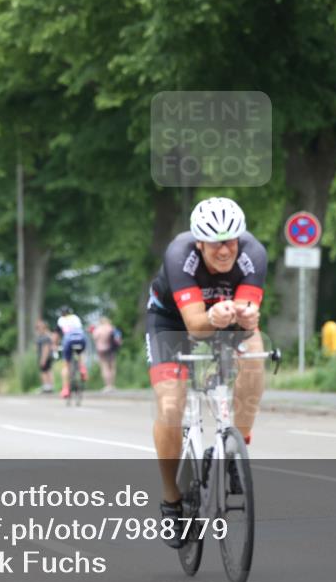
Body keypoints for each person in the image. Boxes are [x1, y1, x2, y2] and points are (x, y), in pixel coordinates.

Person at [146, 197, 267, 549]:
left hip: (224, 317)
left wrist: (247, 317)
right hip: (172, 322)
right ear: (199, 241)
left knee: (255, 354)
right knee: (170, 406)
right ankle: (171, 500)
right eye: (215, 242)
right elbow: (196, 326)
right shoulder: (179, 255)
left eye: (231, 241)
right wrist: (214, 318)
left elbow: (248, 312)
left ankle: (235, 450)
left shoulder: (253, 254)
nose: (225, 249)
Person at [56, 308, 87, 398]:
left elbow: (57, 334)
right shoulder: (76, 317)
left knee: (66, 365)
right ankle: (82, 368)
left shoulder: (61, 320)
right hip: (81, 338)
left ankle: (65, 389)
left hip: (68, 340)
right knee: (81, 353)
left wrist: (55, 345)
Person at [91, 316, 119, 391]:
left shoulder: (98, 329)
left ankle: (107, 386)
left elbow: (94, 338)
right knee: (112, 367)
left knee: (104, 367)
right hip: (111, 349)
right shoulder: (111, 328)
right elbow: (118, 338)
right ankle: (112, 385)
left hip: (101, 350)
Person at [35, 320, 54, 393]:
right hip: (47, 356)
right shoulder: (46, 335)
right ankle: (49, 386)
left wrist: (43, 359)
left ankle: (47, 387)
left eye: (39, 328)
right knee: (48, 370)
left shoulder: (44, 337)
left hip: (45, 357)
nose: (38, 329)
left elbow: (46, 348)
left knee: (44, 371)